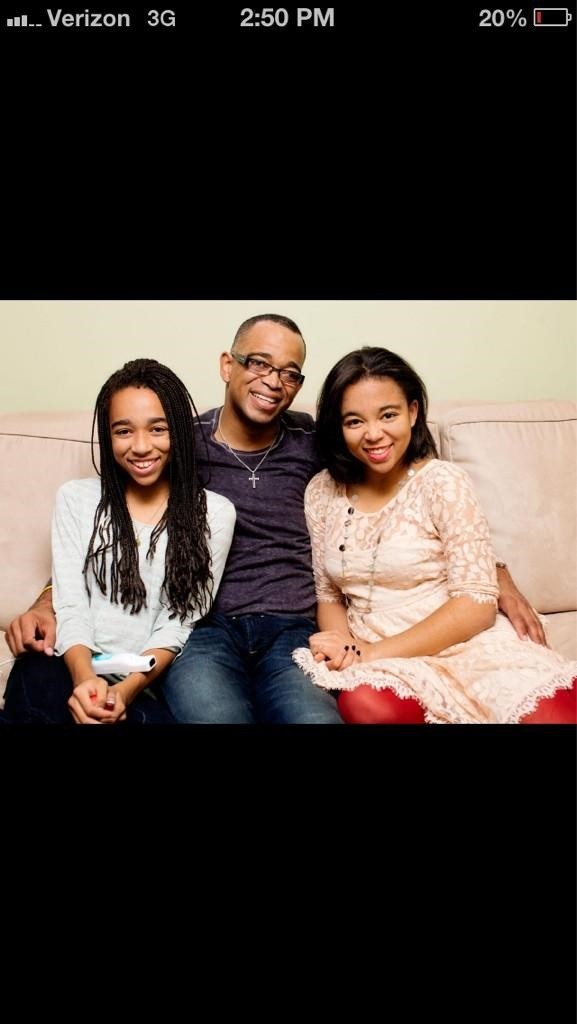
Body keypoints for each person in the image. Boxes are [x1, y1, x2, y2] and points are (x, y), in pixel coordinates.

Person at [4, 317, 549, 724]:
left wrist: (493, 572)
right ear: (228, 365)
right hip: (206, 629)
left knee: (311, 719)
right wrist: (49, 598)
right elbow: (116, 525)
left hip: (295, 627)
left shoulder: (318, 441)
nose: (273, 381)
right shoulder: (179, 442)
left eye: (289, 372)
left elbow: (405, 490)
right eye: (258, 363)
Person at [292, 347, 577, 724]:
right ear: (338, 427)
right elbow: (328, 595)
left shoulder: (443, 481)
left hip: (465, 642)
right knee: (366, 706)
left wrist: (371, 654)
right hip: (380, 652)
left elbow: (476, 604)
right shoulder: (322, 491)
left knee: (551, 714)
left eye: (388, 415)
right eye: (354, 421)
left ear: (412, 412)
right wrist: (348, 648)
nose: (374, 434)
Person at [1, 358, 235, 724]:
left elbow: (178, 623)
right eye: (123, 431)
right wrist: (85, 679)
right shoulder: (75, 499)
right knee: (37, 687)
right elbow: (71, 606)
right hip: (69, 661)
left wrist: (122, 691)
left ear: (178, 431)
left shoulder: (216, 513)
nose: (141, 447)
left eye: (157, 429)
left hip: (141, 678)